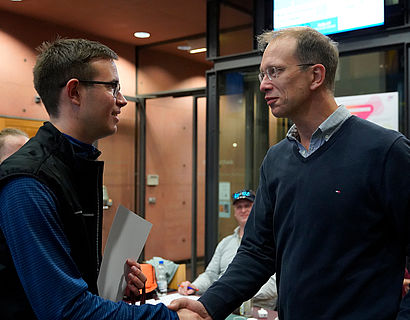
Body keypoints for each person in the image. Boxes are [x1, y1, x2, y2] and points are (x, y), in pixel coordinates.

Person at [169, 26, 410, 319]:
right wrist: (209, 306)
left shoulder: (385, 151)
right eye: (262, 74)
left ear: (316, 76)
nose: (263, 85)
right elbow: (258, 252)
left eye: (275, 71)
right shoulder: (276, 159)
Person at [0, 38, 180, 319]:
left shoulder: (71, 166)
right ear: (74, 92)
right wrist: (171, 317)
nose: (121, 100)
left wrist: (107, 287)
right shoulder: (28, 183)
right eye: (112, 87)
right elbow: (66, 311)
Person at [178, 189, 277, 309]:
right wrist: (193, 286)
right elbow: (210, 275)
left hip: (257, 311)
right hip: (224, 308)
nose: (243, 210)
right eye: (239, 207)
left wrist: (230, 294)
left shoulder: (271, 242)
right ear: (234, 212)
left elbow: (274, 284)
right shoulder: (225, 243)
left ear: (257, 209)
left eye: (248, 206)